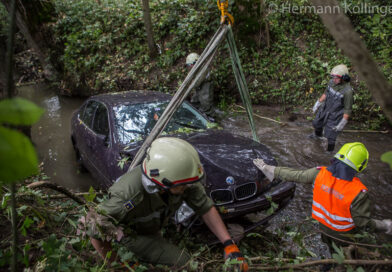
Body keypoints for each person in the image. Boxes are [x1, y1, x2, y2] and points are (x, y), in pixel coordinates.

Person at [88, 137, 248, 271]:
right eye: (183, 185)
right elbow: (93, 227)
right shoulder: (127, 195)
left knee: (231, 232)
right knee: (184, 262)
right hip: (134, 234)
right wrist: (117, 265)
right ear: (161, 183)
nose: (187, 187)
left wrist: (229, 245)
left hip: (159, 224)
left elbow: (204, 207)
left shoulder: (180, 180)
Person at [253, 142, 392, 251]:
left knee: (331, 247)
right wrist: (384, 225)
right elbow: (364, 224)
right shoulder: (358, 193)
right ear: (360, 166)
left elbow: (294, 174)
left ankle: (330, 262)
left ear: (338, 157)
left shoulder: (319, 173)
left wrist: (269, 168)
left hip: (324, 228)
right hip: (344, 235)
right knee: (350, 251)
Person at [311, 64, 354, 152]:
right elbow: (325, 94)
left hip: (335, 115)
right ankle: (317, 137)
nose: (334, 80)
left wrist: (342, 123)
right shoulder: (332, 82)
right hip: (325, 108)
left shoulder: (348, 92)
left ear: (344, 78)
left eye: (336, 78)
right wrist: (318, 103)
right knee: (317, 123)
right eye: (333, 77)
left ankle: (329, 152)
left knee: (331, 135)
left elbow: (347, 109)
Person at [186, 53, 215, 117]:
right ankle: (198, 112)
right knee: (195, 100)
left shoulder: (203, 69)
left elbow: (197, 83)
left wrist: (189, 88)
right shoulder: (195, 68)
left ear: (196, 62)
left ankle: (210, 116)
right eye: (188, 65)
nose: (190, 66)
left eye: (190, 64)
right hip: (199, 85)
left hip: (206, 85)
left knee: (205, 101)